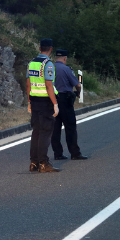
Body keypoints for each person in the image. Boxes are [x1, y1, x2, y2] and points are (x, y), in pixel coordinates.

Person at [27, 39, 61, 173]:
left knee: (36, 132)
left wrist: (29, 102)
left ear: (40, 48)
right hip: (45, 102)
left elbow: (28, 84)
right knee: (45, 132)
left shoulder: (31, 63)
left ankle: (33, 162)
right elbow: (48, 85)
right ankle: (43, 163)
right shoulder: (48, 64)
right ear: (51, 49)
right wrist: (55, 104)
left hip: (34, 101)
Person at [50, 49, 89, 161]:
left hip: (53, 101)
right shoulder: (66, 69)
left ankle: (58, 153)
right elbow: (77, 84)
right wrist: (78, 93)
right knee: (70, 127)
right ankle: (75, 153)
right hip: (65, 100)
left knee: (55, 128)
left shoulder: (50, 68)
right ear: (65, 58)